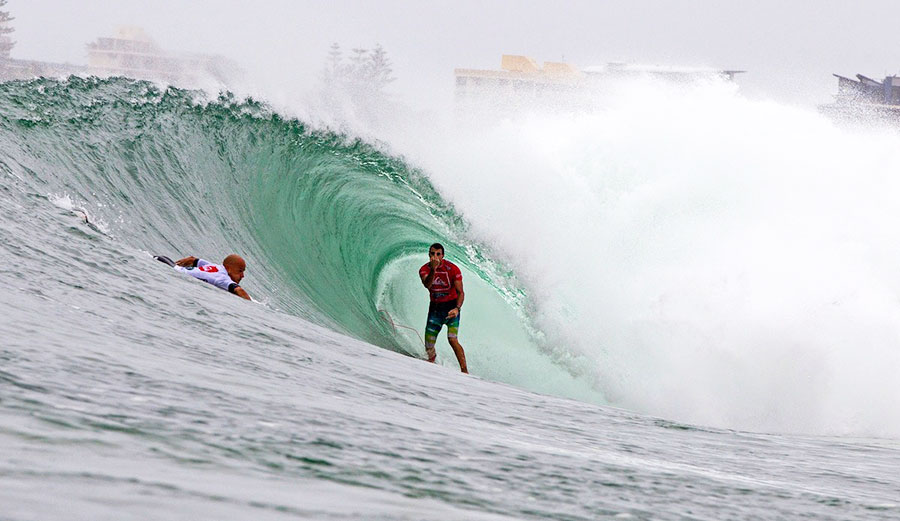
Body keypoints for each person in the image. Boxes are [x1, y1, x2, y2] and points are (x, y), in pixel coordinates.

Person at [419, 243, 467, 373]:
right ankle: (431, 366)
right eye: (432, 254)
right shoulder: (424, 270)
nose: (435, 257)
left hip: (451, 308)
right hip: (435, 310)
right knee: (429, 347)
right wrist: (433, 270)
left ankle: (465, 371)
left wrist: (457, 309)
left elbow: (461, 293)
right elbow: (427, 285)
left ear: (443, 255)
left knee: (452, 339)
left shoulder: (452, 269)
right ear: (429, 255)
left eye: (438, 254)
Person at [154, 254, 251, 301]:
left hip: (168, 262)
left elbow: (192, 259)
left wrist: (178, 265)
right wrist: (252, 306)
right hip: (171, 268)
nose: (242, 276)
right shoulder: (222, 278)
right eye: (240, 271)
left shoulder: (216, 267)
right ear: (229, 269)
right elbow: (239, 291)